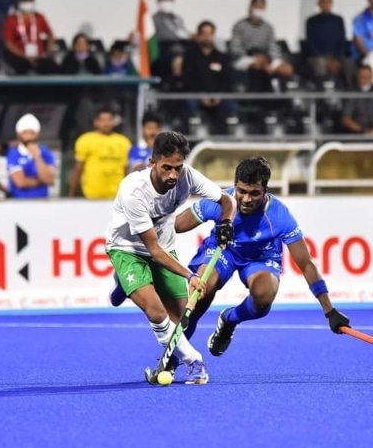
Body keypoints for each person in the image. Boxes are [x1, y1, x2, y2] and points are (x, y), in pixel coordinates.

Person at [174, 157, 350, 359]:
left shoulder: (280, 216)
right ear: (234, 187)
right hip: (224, 250)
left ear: (265, 191)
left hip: (260, 257)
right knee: (201, 292)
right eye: (242, 192)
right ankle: (176, 356)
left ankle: (230, 319)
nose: (246, 199)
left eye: (254, 193)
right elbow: (175, 226)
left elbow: (307, 265)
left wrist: (329, 311)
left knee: (264, 297)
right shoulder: (220, 201)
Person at [105, 130, 236, 385]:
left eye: (178, 167)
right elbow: (152, 250)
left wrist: (226, 224)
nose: (173, 175)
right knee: (156, 312)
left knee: (180, 322)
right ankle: (194, 361)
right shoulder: (133, 190)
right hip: (128, 250)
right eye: (166, 167)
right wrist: (191, 274)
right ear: (152, 162)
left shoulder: (188, 177)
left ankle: (125, 284)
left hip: (164, 248)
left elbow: (226, 200)